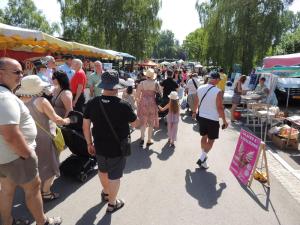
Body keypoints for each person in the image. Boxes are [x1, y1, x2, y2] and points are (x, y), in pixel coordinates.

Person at [0, 58, 62, 225]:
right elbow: (10, 134)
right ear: (1, 74)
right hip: (16, 157)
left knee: (6, 190)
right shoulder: (4, 97)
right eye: (16, 72)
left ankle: (7, 221)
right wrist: (27, 154)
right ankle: (43, 222)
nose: (21, 75)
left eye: (22, 71)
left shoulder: (7, 96)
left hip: (5, 157)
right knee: (33, 189)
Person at [83, 70, 139, 214]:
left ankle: (106, 192)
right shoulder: (123, 105)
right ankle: (112, 203)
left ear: (102, 85)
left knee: (102, 170)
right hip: (118, 146)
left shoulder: (92, 103)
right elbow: (136, 124)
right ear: (117, 86)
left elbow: (85, 125)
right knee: (115, 175)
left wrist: (89, 143)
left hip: (98, 144)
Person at [16, 75, 70, 202]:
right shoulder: (41, 101)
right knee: (51, 164)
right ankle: (46, 192)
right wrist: (68, 120)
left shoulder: (17, 101)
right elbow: (57, 120)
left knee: (36, 164)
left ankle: (36, 187)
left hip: (27, 138)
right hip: (45, 137)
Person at [193, 72, 228, 169]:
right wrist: (225, 121)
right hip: (212, 119)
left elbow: (196, 101)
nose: (219, 81)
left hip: (201, 117)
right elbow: (220, 108)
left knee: (204, 136)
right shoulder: (218, 91)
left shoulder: (200, 88)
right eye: (219, 80)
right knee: (211, 140)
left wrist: (194, 112)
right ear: (216, 80)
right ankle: (202, 157)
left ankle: (203, 157)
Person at [136, 68, 160, 147]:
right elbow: (160, 94)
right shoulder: (156, 83)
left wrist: (139, 103)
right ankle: (149, 140)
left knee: (143, 121)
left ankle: (142, 138)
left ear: (146, 75)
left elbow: (137, 96)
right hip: (152, 103)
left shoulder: (142, 83)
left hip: (143, 103)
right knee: (151, 122)